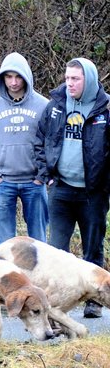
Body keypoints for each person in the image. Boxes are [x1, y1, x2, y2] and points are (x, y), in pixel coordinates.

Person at [35, 57, 110, 318]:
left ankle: (94, 301)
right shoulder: (56, 104)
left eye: (75, 79)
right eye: (67, 78)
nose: (69, 83)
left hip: (93, 193)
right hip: (61, 189)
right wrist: (47, 176)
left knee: (93, 248)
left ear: (88, 79)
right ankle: (56, 304)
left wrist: (105, 185)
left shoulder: (105, 107)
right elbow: (40, 139)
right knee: (56, 250)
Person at [0, 52, 49, 244]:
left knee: (39, 242)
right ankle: (7, 275)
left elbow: (53, 145)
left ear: (26, 77)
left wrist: (43, 175)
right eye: (8, 77)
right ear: (2, 78)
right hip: (3, 184)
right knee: (4, 242)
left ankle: (36, 275)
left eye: (18, 76)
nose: (13, 82)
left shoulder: (43, 106)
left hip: (35, 183)